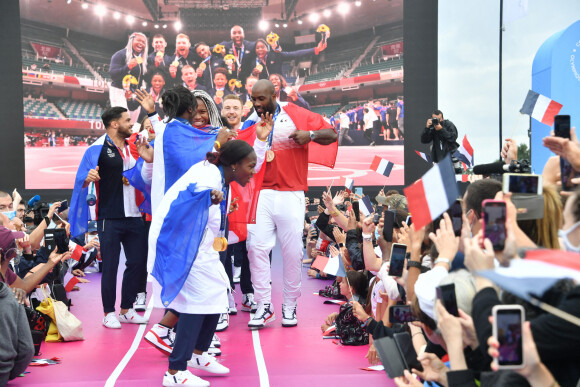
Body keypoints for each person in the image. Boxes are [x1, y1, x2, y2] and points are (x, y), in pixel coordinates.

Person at [150, 132, 271, 387]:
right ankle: (174, 372)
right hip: (182, 245)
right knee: (196, 301)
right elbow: (185, 203)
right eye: (250, 166)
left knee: (220, 291)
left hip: (200, 245)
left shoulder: (219, 176)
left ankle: (197, 355)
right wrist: (206, 197)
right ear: (235, 165)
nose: (253, 171)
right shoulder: (209, 177)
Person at [242, 79, 338, 329]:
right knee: (256, 248)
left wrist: (311, 135)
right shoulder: (251, 120)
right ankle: (263, 305)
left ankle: (289, 304)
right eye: (253, 99)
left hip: (291, 192)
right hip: (261, 192)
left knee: (293, 253)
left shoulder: (297, 114)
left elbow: (331, 134)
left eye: (261, 99)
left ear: (274, 95)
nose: (257, 104)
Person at [70, 106, 149, 329]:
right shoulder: (96, 149)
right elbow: (81, 182)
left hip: (135, 215)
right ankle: (108, 312)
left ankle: (126, 309)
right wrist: (87, 178)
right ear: (114, 124)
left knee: (137, 263)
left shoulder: (133, 146)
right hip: (109, 217)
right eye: (126, 120)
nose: (131, 123)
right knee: (111, 265)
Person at [242, 38, 327, 81]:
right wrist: (254, 74)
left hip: (280, 88)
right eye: (257, 48)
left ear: (267, 48)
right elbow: (250, 79)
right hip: (265, 92)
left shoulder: (276, 55)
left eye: (262, 47)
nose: (260, 49)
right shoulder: (254, 63)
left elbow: (295, 54)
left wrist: (316, 49)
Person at [109, 32, 148, 122]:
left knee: (131, 125)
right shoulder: (120, 54)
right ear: (131, 40)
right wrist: (128, 67)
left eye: (143, 42)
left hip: (134, 93)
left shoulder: (142, 59)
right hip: (119, 91)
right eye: (138, 40)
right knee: (122, 121)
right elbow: (113, 75)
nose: (141, 43)